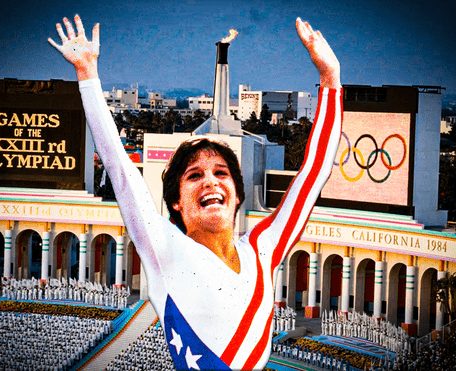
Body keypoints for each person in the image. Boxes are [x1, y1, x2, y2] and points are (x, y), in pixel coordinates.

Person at [48, 14, 342, 370]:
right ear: (175, 202)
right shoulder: (164, 249)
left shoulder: (264, 247)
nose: (210, 181)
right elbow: (120, 171)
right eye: (194, 175)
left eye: (221, 172)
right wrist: (87, 76)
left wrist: (330, 80)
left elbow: (313, 173)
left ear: (237, 195)